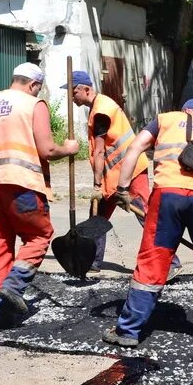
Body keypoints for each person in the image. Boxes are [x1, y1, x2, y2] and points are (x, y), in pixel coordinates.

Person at [0, 63, 79, 328]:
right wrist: (68, 149)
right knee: (39, 235)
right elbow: (46, 149)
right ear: (34, 85)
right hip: (21, 185)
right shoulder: (32, 105)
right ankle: (13, 286)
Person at [102, 98, 193, 347]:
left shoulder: (164, 120)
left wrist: (123, 189)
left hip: (167, 196)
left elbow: (135, 148)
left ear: (184, 111)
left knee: (154, 258)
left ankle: (128, 331)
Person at [63, 70, 180, 277]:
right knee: (97, 216)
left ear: (86, 89)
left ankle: (172, 263)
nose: (71, 97)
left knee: (146, 215)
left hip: (131, 171)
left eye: (73, 92)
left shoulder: (101, 111)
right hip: (114, 175)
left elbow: (99, 151)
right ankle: (93, 262)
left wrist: (97, 185)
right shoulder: (99, 106)